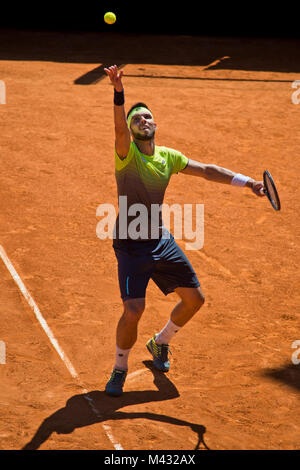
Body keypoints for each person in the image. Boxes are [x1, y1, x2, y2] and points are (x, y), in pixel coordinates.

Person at [103, 65, 265, 397]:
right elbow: (119, 128)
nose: (142, 121)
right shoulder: (127, 155)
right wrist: (119, 93)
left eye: (147, 117)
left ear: (155, 124)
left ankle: (160, 343)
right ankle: (120, 367)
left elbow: (207, 171)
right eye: (137, 120)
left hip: (160, 241)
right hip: (131, 246)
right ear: (133, 131)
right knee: (134, 309)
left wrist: (248, 182)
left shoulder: (168, 157)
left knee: (195, 299)